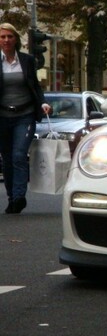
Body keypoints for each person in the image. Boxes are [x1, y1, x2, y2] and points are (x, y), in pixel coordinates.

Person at [0, 23, 51, 214]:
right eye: (2, 37)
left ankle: (20, 196)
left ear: (16, 39)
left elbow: (35, 86)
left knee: (19, 155)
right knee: (6, 158)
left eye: (9, 37)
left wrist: (43, 103)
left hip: (25, 115)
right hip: (2, 117)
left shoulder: (27, 60)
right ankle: (12, 197)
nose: (6, 40)